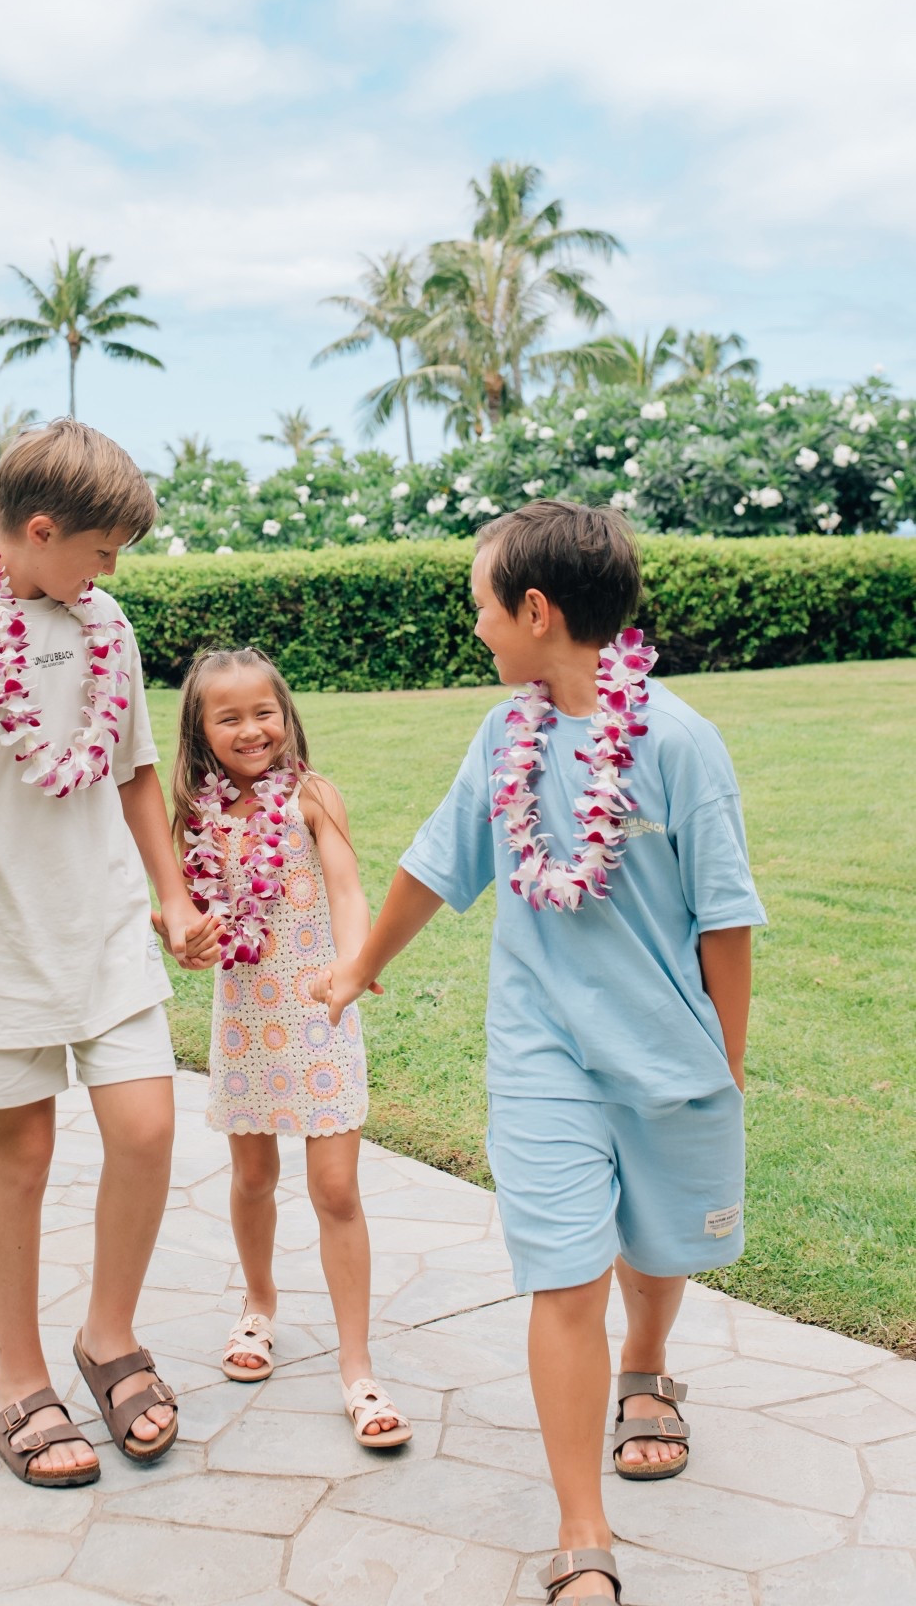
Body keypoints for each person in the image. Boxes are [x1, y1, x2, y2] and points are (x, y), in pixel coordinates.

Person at [314, 500, 763, 1603]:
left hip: (666, 1054)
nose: (476, 629)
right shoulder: (499, 736)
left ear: (534, 609)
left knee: (655, 1249)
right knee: (564, 1271)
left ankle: (645, 1366)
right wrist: (359, 959)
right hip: (540, 1050)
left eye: (481, 607)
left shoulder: (677, 741)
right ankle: (581, 1531)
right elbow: (435, 858)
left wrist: (727, 1061)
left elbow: (725, 918)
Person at [0, 419, 213, 1489]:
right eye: (102, 549)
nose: (112, 571)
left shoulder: (104, 623)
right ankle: (17, 1378)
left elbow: (135, 768)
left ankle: (107, 1334)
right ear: (37, 528)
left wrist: (169, 889)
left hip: (102, 922)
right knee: (16, 1158)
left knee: (147, 1126)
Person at [172, 645, 411, 1450]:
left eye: (263, 711)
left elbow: (345, 888)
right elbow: (180, 909)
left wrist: (351, 967)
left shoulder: (312, 796)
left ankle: (356, 1361)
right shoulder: (195, 813)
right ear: (201, 731)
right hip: (243, 1019)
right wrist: (183, 938)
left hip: (318, 1012)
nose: (251, 729)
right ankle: (259, 1305)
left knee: (335, 1187)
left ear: (287, 713)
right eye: (229, 717)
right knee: (251, 1175)